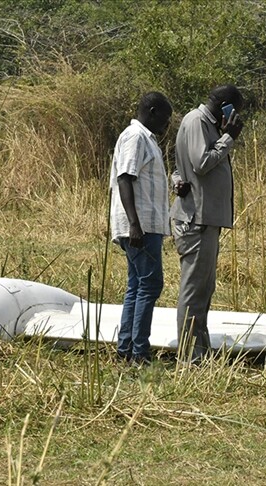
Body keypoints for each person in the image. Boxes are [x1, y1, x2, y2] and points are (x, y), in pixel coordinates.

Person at [170, 84, 245, 362]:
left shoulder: (205, 124)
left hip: (205, 219)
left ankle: (200, 351)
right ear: (225, 104)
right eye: (235, 110)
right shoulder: (197, 121)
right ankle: (190, 357)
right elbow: (201, 163)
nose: (236, 116)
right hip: (196, 221)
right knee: (193, 292)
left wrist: (177, 181)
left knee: (203, 290)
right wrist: (228, 137)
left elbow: (181, 168)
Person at [109, 91, 173, 364]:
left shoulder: (147, 139)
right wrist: (135, 224)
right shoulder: (135, 137)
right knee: (150, 284)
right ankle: (139, 352)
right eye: (166, 119)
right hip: (140, 226)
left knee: (137, 285)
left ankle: (127, 349)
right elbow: (125, 178)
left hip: (146, 224)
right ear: (153, 111)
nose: (167, 126)